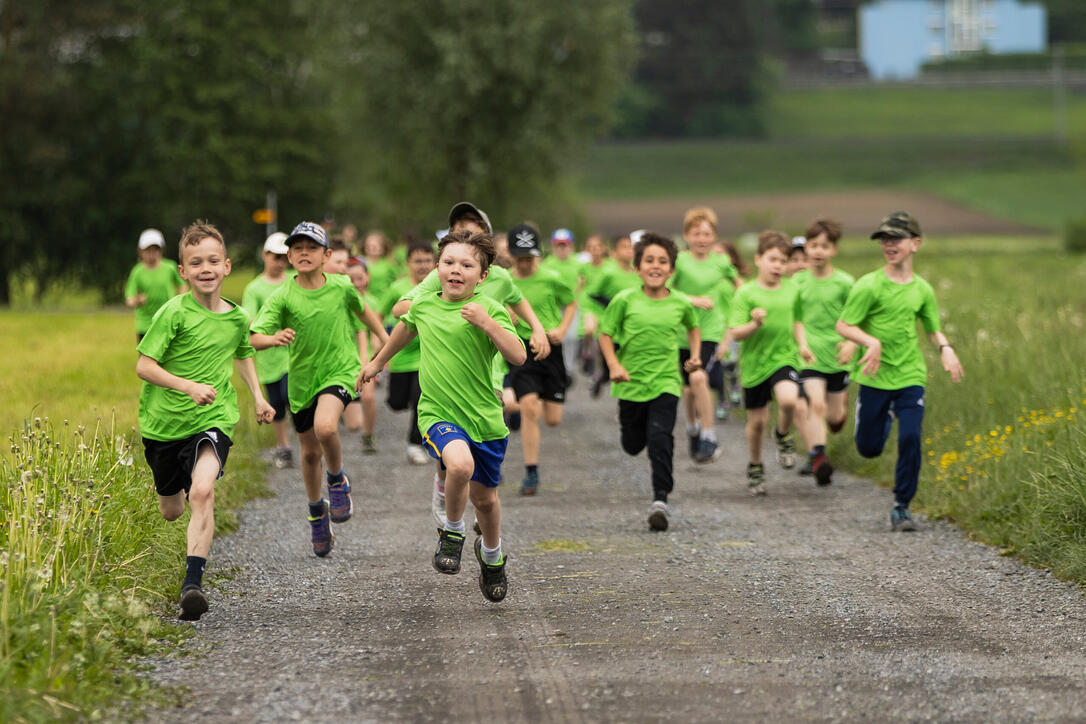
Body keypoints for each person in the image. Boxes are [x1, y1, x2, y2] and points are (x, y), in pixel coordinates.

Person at [360, 229, 526, 602]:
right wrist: (376, 363)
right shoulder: (424, 305)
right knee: (460, 466)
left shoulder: (490, 310)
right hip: (438, 412)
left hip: (485, 419)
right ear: (436, 268)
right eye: (448, 262)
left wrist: (487, 323)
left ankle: (492, 556)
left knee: (485, 501)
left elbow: (517, 356)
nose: (456, 270)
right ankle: (452, 532)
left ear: (482, 276)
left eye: (466, 265)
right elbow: (403, 331)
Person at [136, 221, 275, 620]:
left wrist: (258, 397)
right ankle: (175, 489)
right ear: (182, 271)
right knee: (172, 510)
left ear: (227, 266)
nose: (206, 268)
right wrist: (187, 386)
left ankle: (192, 586)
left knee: (202, 491)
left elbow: (244, 350)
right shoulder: (173, 312)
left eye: (213, 260)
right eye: (196, 262)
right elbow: (145, 366)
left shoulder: (236, 317)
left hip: (213, 418)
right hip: (162, 425)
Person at [392, 202, 551, 529]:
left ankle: (482, 506)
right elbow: (402, 310)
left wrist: (535, 329)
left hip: (489, 371)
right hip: (448, 371)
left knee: (482, 452)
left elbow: (520, 302)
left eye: (475, 225)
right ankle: (447, 487)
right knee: (456, 458)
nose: (467, 231)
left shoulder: (499, 278)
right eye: (459, 227)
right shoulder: (445, 278)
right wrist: (437, 305)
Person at [250, 222, 388, 557]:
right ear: (289, 256)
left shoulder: (341, 286)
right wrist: (274, 338)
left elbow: (365, 313)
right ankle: (316, 512)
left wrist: (384, 347)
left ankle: (338, 479)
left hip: (339, 372)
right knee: (309, 454)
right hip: (302, 384)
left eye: (311, 248)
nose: (303, 254)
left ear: (327, 255)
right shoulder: (283, 294)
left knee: (327, 427)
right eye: (297, 248)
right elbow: (254, 338)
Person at [836, 212, 964, 531]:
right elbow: (844, 324)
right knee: (869, 449)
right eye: (884, 239)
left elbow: (933, 330)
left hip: (910, 376)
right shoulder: (869, 285)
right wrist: (869, 342)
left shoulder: (923, 290)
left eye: (896, 238)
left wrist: (946, 350)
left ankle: (901, 506)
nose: (889, 244)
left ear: (915, 244)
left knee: (911, 437)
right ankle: (881, 417)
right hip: (874, 377)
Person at [599, 232, 699, 532]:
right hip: (630, 384)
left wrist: (694, 356)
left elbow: (694, 328)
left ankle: (660, 500)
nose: (656, 266)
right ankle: (634, 427)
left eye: (663, 261)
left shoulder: (681, 302)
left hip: (666, 382)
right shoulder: (624, 300)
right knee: (632, 445)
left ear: (671, 269)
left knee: (660, 439)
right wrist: (614, 365)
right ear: (637, 266)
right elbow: (605, 334)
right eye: (649, 260)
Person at [727, 231, 815, 496]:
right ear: (758, 260)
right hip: (755, 364)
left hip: (784, 357)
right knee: (756, 422)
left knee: (789, 400)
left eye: (783, 261)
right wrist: (754, 323)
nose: (778, 266)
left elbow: (798, 320)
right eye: (773, 259)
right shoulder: (746, 294)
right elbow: (735, 333)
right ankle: (755, 466)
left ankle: (783, 435)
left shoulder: (793, 290)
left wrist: (802, 344)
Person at [507, 223, 577, 495]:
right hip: (521, 348)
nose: (524, 263)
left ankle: (510, 404)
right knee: (529, 407)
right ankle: (531, 472)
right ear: (511, 255)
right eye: (520, 257)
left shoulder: (551, 277)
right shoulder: (505, 280)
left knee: (552, 419)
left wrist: (561, 329)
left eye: (529, 257)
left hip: (551, 348)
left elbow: (571, 303)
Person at [671, 207, 739, 463]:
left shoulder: (721, 262)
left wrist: (733, 328)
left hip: (710, 332)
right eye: (696, 233)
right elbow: (663, 290)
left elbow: (740, 287)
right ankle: (692, 428)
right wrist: (693, 300)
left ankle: (709, 436)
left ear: (714, 237)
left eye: (707, 234)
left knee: (699, 378)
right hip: (681, 333)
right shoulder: (679, 262)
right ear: (687, 235)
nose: (702, 238)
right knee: (688, 390)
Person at [792, 218, 855, 486]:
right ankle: (819, 458)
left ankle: (840, 413)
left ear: (834, 250)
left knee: (834, 417)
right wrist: (801, 343)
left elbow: (856, 317)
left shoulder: (844, 282)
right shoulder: (797, 281)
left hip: (838, 354)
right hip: (809, 353)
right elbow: (793, 317)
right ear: (806, 247)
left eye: (825, 246)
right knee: (814, 403)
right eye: (814, 245)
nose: (818, 251)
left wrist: (852, 343)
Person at [379, 240, 437, 465]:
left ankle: (415, 443)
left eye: (427, 260)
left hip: (427, 358)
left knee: (419, 398)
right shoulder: (397, 288)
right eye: (418, 261)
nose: (423, 266)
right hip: (401, 357)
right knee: (397, 402)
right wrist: (383, 343)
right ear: (408, 264)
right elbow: (379, 314)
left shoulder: (439, 287)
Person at [241, 232, 294, 469]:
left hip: (295, 354)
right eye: (275, 256)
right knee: (276, 404)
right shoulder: (254, 288)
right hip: (269, 354)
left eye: (284, 257)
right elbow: (250, 322)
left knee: (292, 396)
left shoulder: (295, 280)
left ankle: (308, 440)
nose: (279, 262)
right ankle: (283, 446)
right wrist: (270, 333)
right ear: (264, 255)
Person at [583, 233, 641, 397]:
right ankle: (598, 376)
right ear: (614, 252)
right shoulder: (608, 272)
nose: (629, 251)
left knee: (630, 368)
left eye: (631, 247)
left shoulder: (638, 272)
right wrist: (611, 305)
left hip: (631, 327)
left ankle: (628, 400)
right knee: (613, 370)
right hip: (612, 327)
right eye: (624, 247)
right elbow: (592, 294)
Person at [343, 256, 380, 454]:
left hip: (368, 356)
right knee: (351, 418)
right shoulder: (343, 301)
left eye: (360, 278)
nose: (356, 283)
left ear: (367, 277)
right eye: (351, 279)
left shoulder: (372, 302)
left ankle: (368, 434)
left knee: (368, 397)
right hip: (347, 356)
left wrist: (375, 358)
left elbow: (376, 332)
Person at [125, 228, 185, 342]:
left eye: (155, 250)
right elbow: (129, 299)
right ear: (140, 251)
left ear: (161, 250)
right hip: (145, 325)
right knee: (147, 359)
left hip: (168, 321)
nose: (151, 254)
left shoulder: (170, 267)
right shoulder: (137, 272)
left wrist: (180, 299)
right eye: (148, 250)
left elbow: (183, 285)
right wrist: (137, 300)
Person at [540, 228, 582, 376]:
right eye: (559, 245)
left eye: (565, 245)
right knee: (557, 337)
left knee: (572, 336)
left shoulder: (578, 263)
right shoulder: (547, 264)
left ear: (571, 246)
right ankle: (560, 367)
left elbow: (585, 280)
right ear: (553, 246)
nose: (562, 249)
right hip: (554, 307)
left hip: (572, 306)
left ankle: (569, 368)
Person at [362, 230, 399, 303]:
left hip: (384, 302)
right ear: (365, 247)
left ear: (383, 248)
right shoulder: (360, 263)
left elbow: (396, 284)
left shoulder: (389, 264)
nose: (373, 248)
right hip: (365, 302)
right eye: (369, 246)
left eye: (376, 246)